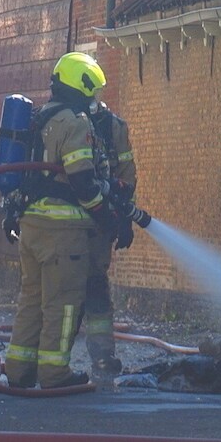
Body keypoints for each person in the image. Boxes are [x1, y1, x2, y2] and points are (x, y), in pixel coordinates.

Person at [3, 52, 125, 389]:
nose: (94, 99)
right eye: (92, 91)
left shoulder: (39, 117)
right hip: (63, 231)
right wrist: (106, 216)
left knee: (31, 300)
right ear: (80, 86)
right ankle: (55, 374)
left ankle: (18, 369)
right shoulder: (75, 121)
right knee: (63, 304)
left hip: (32, 226)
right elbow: (82, 180)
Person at [84, 99, 137, 375]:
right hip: (93, 223)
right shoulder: (110, 125)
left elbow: (125, 180)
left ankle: (46, 364)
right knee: (91, 288)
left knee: (65, 291)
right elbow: (126, 175)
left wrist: (126, 217)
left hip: (62, 227)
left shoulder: (52, 118)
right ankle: (100, 357)